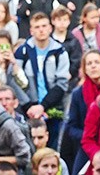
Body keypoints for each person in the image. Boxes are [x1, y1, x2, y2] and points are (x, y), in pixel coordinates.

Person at [14, 12, 70, 150]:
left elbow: (62, 84)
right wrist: (30, 106)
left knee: (52, 149)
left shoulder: (59, 52)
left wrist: (43, 106)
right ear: (31, 30)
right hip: (28, 109)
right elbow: (16, 81)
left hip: (53, 108)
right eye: (37, 27)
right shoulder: (22, 52)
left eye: (44, 26)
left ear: (50, 28)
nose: (41, 30)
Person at [64, 50, 100, 174]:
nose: (93, 66)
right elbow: (71, 128)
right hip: (87, 146)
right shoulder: (77, 94)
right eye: (89, 64)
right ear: (84, 69)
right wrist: (89, 135)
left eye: (97, 62)